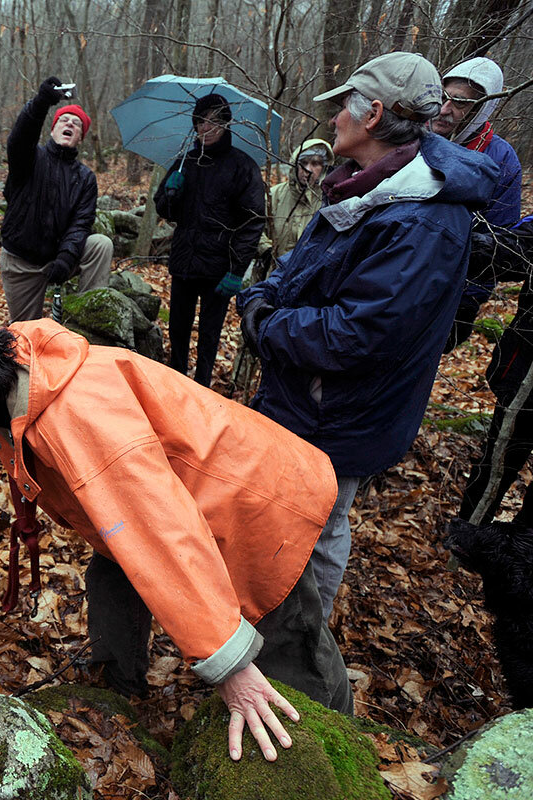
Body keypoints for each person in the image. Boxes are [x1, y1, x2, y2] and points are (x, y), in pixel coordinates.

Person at [0, 315, 351, 762]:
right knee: (113, 576)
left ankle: (341, 741)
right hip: (179, 498)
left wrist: (229, 665)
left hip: (254, 503)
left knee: (289, 634)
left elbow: (160, 533)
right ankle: (117, 689)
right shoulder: (12, 374)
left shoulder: (80, 422)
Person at [238, 52, 500, 619]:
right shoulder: (360, 186)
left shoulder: (422, 218)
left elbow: (357, 334)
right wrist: (263, 294)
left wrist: (266, 325)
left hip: (339, 412)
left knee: (314, 530)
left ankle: (301, 656)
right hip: (306, 396)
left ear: (374, 115)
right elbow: (303, 265)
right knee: (284, 520)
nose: (334, 119)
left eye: (342, 107)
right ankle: (270, 625)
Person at [155, 93, 266, 389]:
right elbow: (164, 210)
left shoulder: (242, 166)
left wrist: (237, 270)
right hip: (184, 263)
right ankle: (175, 385)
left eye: (215, 121)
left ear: (226, 124)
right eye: (201, 121)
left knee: (209, 337)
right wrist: (170, 195)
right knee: (177, 331)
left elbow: (253, 222)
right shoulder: (185, 163)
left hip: (219, 270)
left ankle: (202, 390)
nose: (207, 127)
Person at [0, 78, 113, 322]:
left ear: (80, 137)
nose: (69, 123)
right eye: (64, 120)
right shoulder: (30, 157)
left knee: (100, 244)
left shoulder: (85, 178)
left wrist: (65, 258)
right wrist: (41, 102)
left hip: (58, 256)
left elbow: (81, 224)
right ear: (52, 130)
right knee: (25, 334)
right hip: (20, 262)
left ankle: (87, 318)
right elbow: (19, 139)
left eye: (76, 124)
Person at [433, 57, 524, 352]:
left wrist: (466, 302)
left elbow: (498, 244)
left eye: (460, 103)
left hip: (451, 296)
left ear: (483, 108)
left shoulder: (500, 160)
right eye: (443, 97)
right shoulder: (411, 138)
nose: (445, 109)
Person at [457, 220, 533, 524]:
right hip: (524, 378)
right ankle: (466, 534)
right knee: (499, 462)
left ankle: (522, 544)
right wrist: (465, 238)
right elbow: (508, 249)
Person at [256, 139, 333, 279]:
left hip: (307, 279)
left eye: (315, 163)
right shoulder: (275, 195)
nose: (308, 169)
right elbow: (255, 226)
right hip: (271, 276)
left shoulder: (328, 201)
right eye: (303, 162)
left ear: (324, 167)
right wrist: (266, 250)